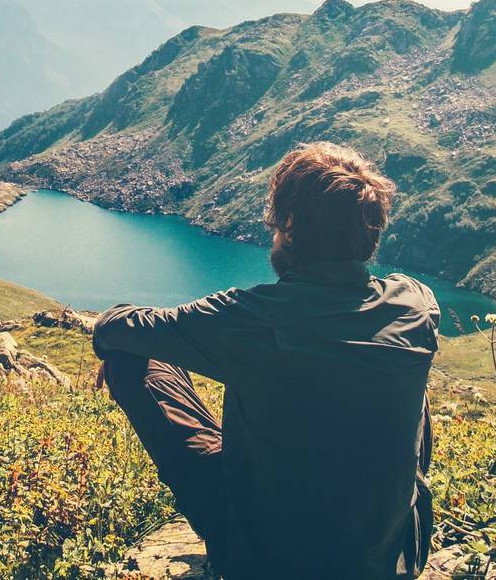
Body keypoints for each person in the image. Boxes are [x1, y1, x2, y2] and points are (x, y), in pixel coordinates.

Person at [93, 142, 438, 579]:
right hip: (393, 561)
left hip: (262, 562)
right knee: (410, 380)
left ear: (290, 224)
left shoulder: (249, 319)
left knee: (131, 358)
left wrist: (121, 348)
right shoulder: (415, 305)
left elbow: (112, 328)